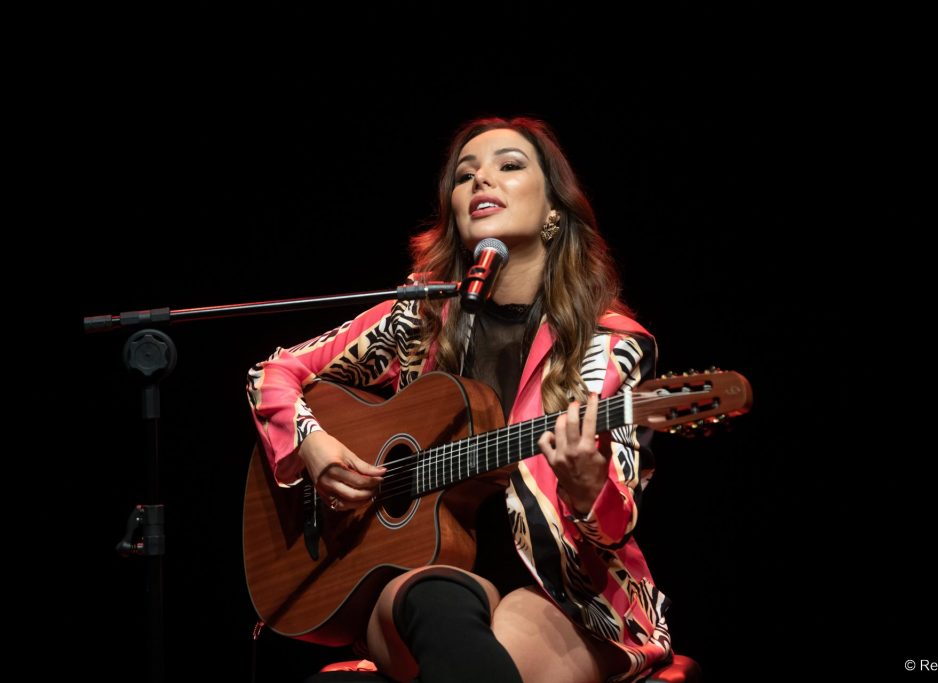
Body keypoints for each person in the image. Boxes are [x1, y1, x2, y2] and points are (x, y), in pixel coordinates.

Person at [247, 117, 672, 683]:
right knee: (431, 602)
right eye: (465, 175)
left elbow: (615, 525)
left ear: (554, 211)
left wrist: (586, 483)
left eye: (509, 166)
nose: (481, 181)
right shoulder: (421, 317)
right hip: (421, 576)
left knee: (479, 652)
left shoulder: (608, 346)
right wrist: (312, 443)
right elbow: (273, 372)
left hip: (561, 590)